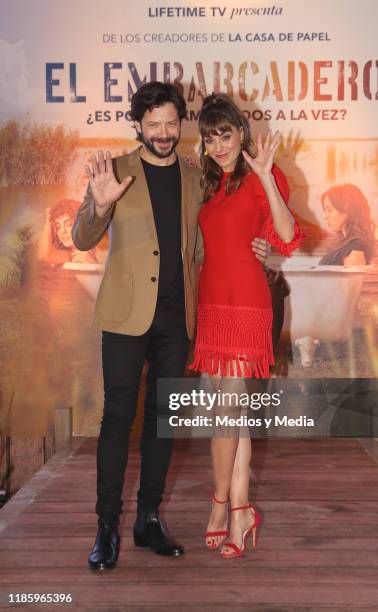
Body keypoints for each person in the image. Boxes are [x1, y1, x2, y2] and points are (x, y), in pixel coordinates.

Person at [72, 81, 206, 570]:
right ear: (138, 126)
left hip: (177, 318)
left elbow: (198, 248)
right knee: (117, 417)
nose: (165, 133)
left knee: (163, 419)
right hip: (126, 317)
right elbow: (82, 237)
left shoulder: (195, 177)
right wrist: (102, 203)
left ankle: (148, 519)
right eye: (154, 126)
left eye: (172, 124)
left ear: (180, 123)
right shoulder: (115, 172)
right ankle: (106, 525)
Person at [188, 94, 303, 558]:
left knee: (227, 413)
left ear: (241, 132)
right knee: (230, 417)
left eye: (226, 134)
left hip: (247, 304)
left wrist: (265, 180)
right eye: (210, 137)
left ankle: (219, 506)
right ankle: (242, 511)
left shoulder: (263, 175)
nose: (218, 145)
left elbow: (289, 236)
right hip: (212, 303)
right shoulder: (207, 181)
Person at [318, 183, 377, 265]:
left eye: (330, 210)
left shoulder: (357, 247)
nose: (325, 216)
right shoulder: (341, 243)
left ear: (347, 210)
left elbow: (351, 277)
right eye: (325, 210)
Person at [38, 199, 100, 265]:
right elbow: (45, 257)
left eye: (69, 224)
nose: (62, 231)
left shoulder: (98, 247)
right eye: (58, 227)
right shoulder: (69, 254)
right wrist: (48, 220)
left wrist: (92, 262)